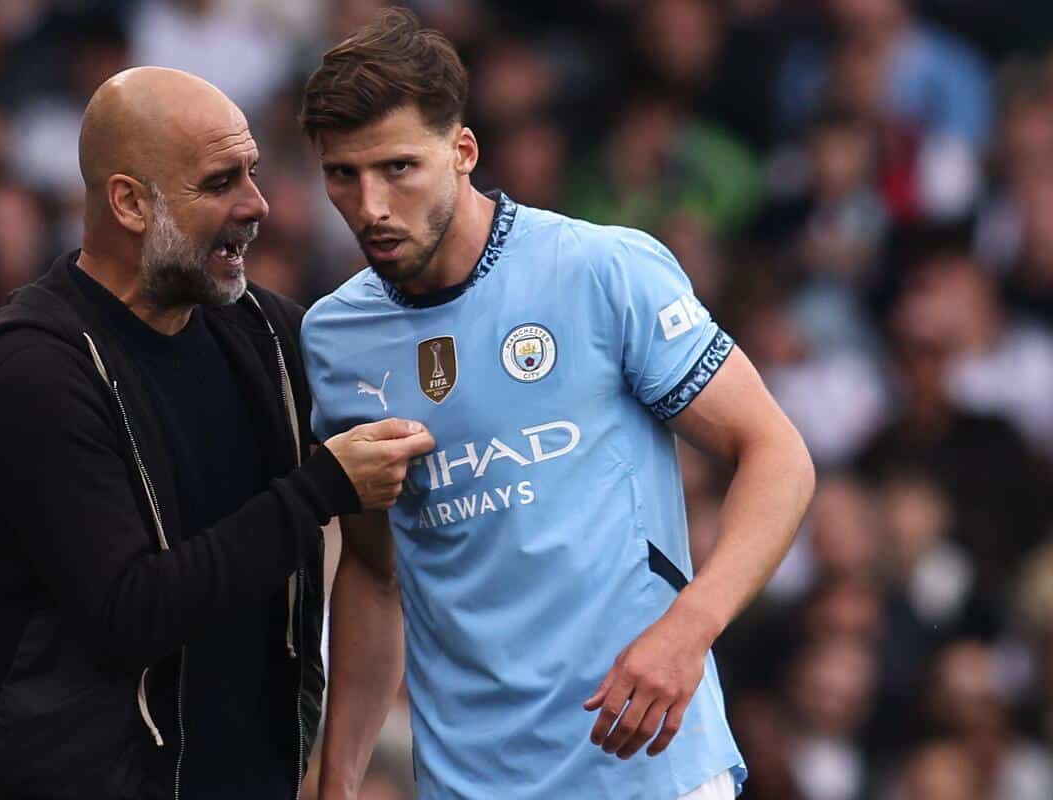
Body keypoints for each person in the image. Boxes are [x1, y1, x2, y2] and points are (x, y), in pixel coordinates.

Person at [299, 10, 815, 800]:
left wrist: (690, 628)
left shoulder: (602, 271)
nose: (370, 205)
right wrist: (337, 781)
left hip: (650, 768)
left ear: (463, 151)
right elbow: (374, 575)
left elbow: (777, 454)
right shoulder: (338, 340)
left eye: (398, 167)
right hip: (470, 784)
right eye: (343, 174)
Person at [0, 66, 434, 800]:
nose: (256, 204)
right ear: (130, 202)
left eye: (253, 172)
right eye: (220, 182)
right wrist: (318, 491)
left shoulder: (271, 336)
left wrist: (337, 779)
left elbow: (379, 567)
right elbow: (129, 613)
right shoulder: (35, 370)